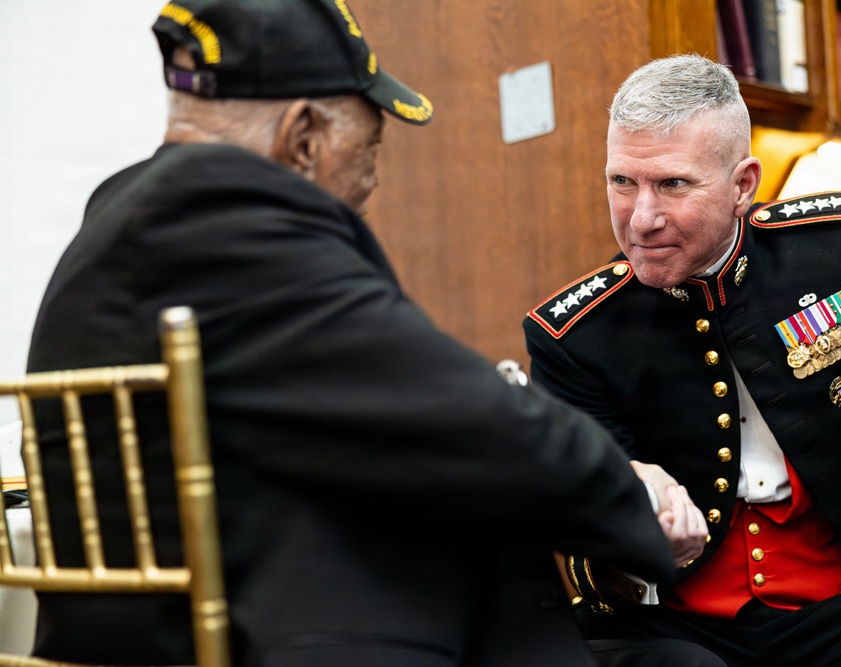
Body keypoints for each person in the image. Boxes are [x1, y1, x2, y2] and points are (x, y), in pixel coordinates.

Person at [24, 4, 722, 666]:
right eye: (371, 141)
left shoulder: (123, 215)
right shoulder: (229, 219)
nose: (373, 176)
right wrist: (633, 489)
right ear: (304, 136)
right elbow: (452, 410)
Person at [523, 53, 841, 667]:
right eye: (622, 182)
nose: (641, 219)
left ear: (743, 183)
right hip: (669, 624)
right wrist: (630, 508)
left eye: (672, 184)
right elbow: (576, 497)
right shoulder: (575, 332)